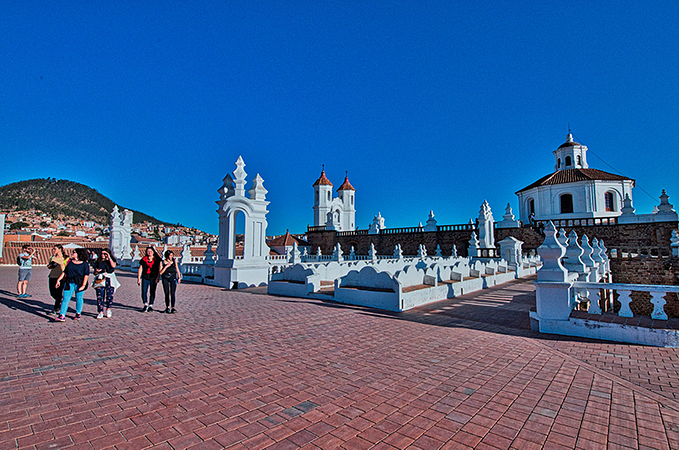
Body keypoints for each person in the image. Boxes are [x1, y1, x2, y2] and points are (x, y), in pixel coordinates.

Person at [55, 249, 90, 322]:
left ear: (79, 254)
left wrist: (83, 285)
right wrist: (58, 280)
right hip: (69, 282)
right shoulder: (70, 262)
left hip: (79, 283)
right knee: (65, 298)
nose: (72, 253)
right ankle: (62, 315)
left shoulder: (85, 264)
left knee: (79, 298)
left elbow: (86, 275)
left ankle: (78, 312)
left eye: (74, 252)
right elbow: (65, 272)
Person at [93, 249, 119, 319]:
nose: (103, 255)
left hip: (110, 279)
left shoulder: (111, 260)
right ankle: (100, 311)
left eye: (105, 253)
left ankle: (108, 309)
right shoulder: (98, 261)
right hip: (100, 279)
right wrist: (96, 271)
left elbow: (113, 266)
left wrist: (109, 258)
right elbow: (94, 272)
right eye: (102, 253)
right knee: (100, 296)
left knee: (109, 295)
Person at [137, 246, 161, 312]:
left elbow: (159, 269)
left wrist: (158, 278)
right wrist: (139, 278)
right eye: (148, 251)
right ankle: (145, 304)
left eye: (151, 251)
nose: (149, 253)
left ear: (153, 252)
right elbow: (140, 269)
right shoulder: (144, 259)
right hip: (145, 277)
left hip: (153, 277)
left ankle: (151, 305)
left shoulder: (157, 260)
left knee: (152, 292)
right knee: (144, 291)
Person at [47, 245, 68, 314]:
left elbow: (66, 268)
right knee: (52, 293)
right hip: (52, 276)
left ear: (60, 249)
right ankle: (59, 301)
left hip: (61, 277)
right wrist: (49, 266)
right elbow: (50, 266)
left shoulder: (65, 258)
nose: (53, 250)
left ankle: (56, 308)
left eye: (55, 249)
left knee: (58, 292)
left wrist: (60, 264)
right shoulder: (52, 257)